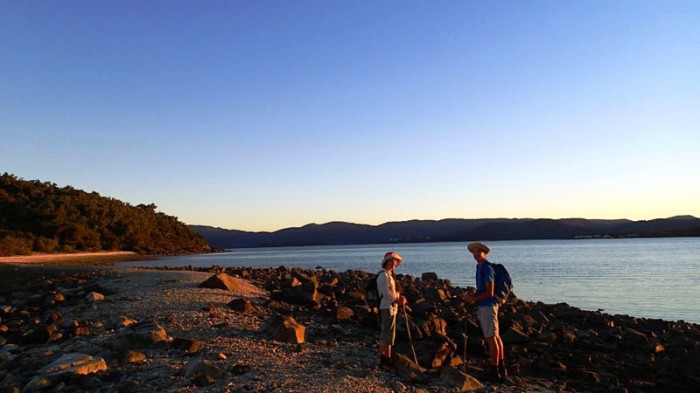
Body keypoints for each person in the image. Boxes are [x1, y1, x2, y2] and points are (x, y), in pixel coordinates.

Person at [462, 242, 506, 381]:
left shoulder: (486, 268)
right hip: (487, 305)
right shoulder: (480, 267)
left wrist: (472, 299)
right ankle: (500, 367)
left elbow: (490, 292)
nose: (475, 253)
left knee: (491, 338)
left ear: (484, 252)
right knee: (495, 336)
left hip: (488, 305)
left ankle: (495, 370)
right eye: (473, 251)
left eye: (478, 251)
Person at [376, 251, 407, 370]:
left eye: (396, 261)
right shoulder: (383, 276)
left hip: (391, 308)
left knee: (389, 335)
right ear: (387, 261)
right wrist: (398, 300)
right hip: (386, 308)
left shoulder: (390, 276)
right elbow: (387, 295)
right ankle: (383, 359)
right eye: (393, 260)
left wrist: (399, 298)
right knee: (386, 335)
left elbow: (393, 293)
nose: (395, 262)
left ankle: (387, 358)